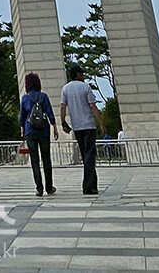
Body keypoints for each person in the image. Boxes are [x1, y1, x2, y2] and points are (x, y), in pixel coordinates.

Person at [60, 63, 105, 196]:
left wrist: (63, 123)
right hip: (89, 126)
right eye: (82, 73)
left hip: (77, 127)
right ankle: (88, 187)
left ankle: (91, 185)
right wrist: (101, 123)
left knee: (86, 156)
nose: (83, 76)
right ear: (78, 74)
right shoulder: (85, 87)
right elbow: (92, 106)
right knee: (90, 156)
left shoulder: (65, 89)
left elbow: (63, 106)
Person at [19, 71, 59, 198]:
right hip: (43, 130)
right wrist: (54, 127)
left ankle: (39, 188)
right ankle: (49, 187)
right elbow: (50, 113)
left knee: (34, 160)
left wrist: (22, 130)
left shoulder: (25, 98)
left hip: (30, 130)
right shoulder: (44, 97)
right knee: (46, 159)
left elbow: (22, 116)